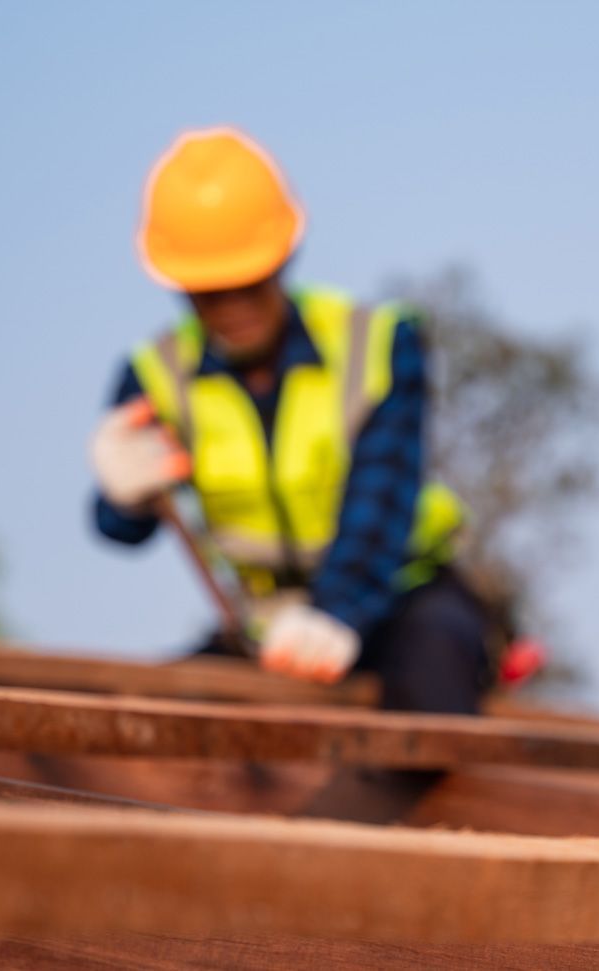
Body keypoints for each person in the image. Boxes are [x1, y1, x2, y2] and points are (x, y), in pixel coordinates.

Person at [88, 127, 488, 715]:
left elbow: (381, 499)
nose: (233, 307)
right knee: (155, 720)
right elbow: (122, 531)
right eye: (209, 292)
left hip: (401, 598)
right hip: (266, 625)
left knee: (434, 688)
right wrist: (121, 498)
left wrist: (336, 612)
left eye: (249, 283)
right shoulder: (155, 376)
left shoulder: (376, 344)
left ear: (283, 259)